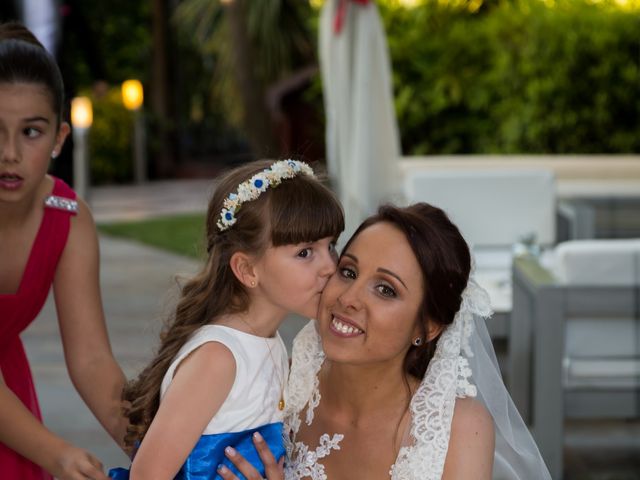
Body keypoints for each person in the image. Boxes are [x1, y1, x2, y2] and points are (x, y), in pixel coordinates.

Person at [219, 203, 551, 479]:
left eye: (386, 289)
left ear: (428, 326)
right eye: (348, 271)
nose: (348, 298)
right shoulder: (281, 389)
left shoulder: (458, 429)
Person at [109, 159, 344, 480]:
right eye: (305, 252)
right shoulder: (218, 358)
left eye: (331, 246)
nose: (330, 266)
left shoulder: (268, 342)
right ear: (247, 270)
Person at [0, 22, 127, 480]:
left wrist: (158, 445)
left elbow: (92, 360)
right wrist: (53, 451)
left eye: (30, 132)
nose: (8, 152)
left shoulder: (68, 219)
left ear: (58, 138)